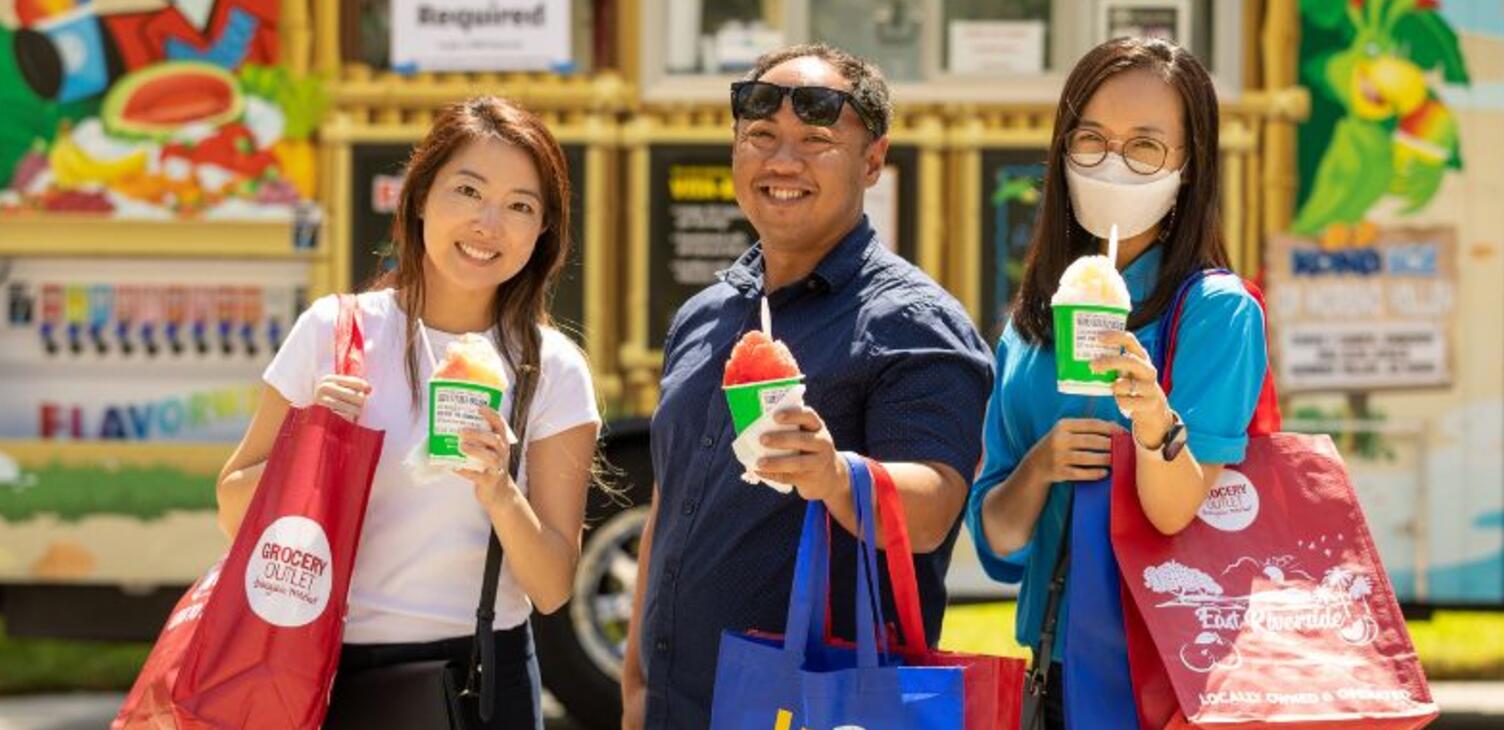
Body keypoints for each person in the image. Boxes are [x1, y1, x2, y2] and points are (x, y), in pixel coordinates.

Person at [619, 44, 995, 729]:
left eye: (816, 142)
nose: (782, 162)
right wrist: (638, 684)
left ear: (873, 161)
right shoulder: (705, 315)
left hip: (819, 709)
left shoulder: (913, 322)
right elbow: (671, 503)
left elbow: (936, 508)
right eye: (760, 137)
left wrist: (834, 474)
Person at [216, 97, 602, 729]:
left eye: (520, 206)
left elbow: (553, 587)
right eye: (468, 190)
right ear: (421, 197)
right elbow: (233, 509)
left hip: (483, 675)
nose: (488, 224)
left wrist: (500, 490)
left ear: (542, 233)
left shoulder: (551, 369)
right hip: (319, 666)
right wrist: (308, 444)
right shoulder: (334, 333)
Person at [964, 37, 1269, 729]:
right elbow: (998, 541)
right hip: (1055, 669)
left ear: (1189, 168)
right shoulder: (1031, 324)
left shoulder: (1218, 313)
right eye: (1092, 141)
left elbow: (1173, 513)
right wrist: (1039, 467)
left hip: (1167, 670)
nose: (1113, 166)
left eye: (1145, 149)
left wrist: (1154, 422)